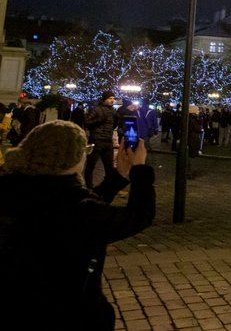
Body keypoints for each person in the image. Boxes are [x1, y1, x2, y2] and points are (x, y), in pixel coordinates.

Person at [0, 120, 155, 331]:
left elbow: (86, 208)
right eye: (86, 150)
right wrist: (140, 171)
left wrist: (118, 177)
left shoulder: (16, 190)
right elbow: (139, 215)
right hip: (67, 313)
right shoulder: (74, 209)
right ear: (72, 158)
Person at [84, 91, 119, 189]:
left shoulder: (113, 111)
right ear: (104, 99)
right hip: (96, 140)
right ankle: (89, 187)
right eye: (110, 98)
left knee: (109, 167)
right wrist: (99, 120)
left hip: (108, 141)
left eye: (113, 98)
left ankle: (107, 187)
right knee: (91, 165)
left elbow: (114, 124)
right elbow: (86, 122)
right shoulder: (96, 109)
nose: (112, 100)